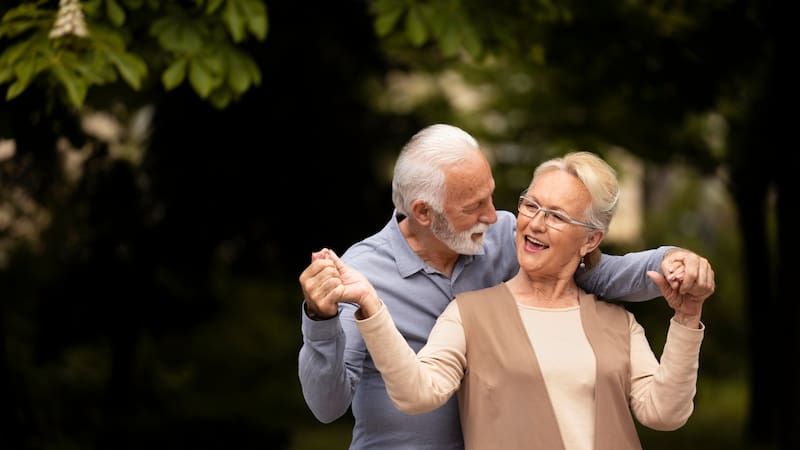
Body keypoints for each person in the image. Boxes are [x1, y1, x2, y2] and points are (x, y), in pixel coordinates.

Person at [298, 124, 714, 450]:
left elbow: (594, 271)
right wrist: (321, 320)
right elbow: (329, 405)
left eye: (494, 197)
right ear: (425, 212)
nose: (495, 217)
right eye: (474, 206)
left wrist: (671, 263)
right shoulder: (361, 272)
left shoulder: (507, 238)